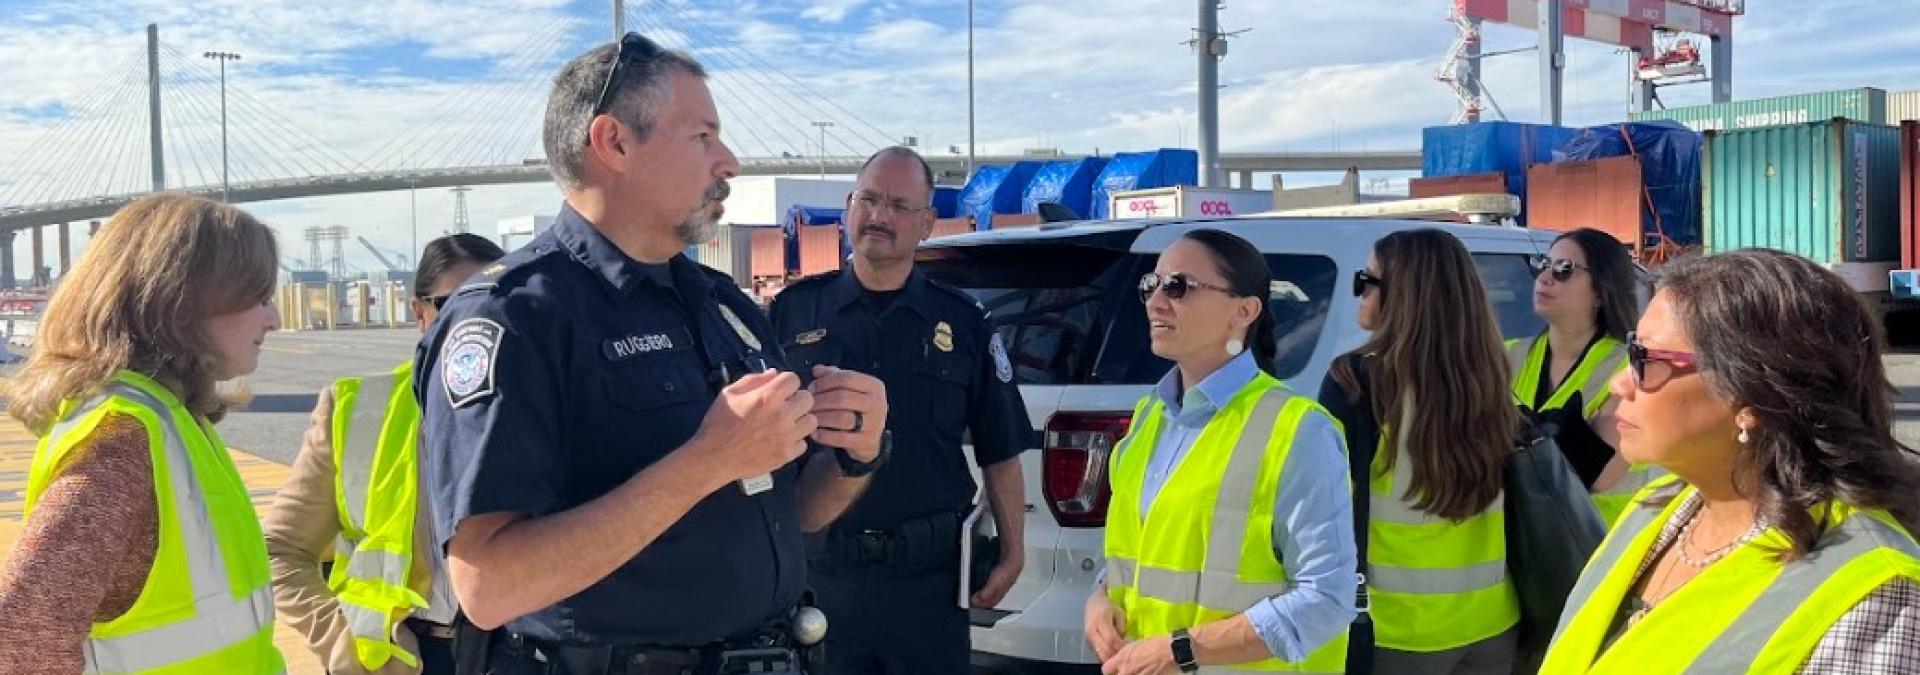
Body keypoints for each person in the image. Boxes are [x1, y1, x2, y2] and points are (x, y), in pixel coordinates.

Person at [416, 33, 890, 675]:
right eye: (702, 137)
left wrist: (857, 455)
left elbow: (796, 512)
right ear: (614, 142)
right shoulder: (514, 317)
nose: (729, 161)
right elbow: (488, 586)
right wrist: (707, 460)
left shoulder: (725, 307)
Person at [1541, 249, 1920, 674]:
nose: (1619, 383)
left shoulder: (1875, 599)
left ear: (1752, 396)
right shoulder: (1655, 509)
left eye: (1644, 359)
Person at [769, 146, 1031, 675]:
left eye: (897, 205)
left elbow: (1000, 447)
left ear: (927, 223)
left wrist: (1013, 550)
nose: (878, 216)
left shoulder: (963, 323)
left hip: (927, 586)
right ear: (848, 207)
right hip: (821, 578)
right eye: (868, 199)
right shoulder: (792, 312)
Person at [0, 193, 286, 673]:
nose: (273, 319)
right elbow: (22, 643)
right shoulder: (124, 442)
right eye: (257, 298)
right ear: (182, 302)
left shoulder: (173, 422)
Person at [1085, 229, 1355, 674]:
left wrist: (1180, 650)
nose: (1155, 302)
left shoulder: (1299, 430)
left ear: (1244, 311)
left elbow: (1327, 599)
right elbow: (1134, 553)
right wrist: (1098, 599)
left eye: (1178, 287)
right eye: (1151, 286)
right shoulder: (1150, 415)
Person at [266, 233, 506, 675]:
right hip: (405, 656)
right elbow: (282, 549)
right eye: (455, 304)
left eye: (498, 302)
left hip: (525, 654)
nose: (479, 321)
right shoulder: (359, 409)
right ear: (419, 312)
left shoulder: (551, 409)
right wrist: (342, 644)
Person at [1321, 229, 1521, 674]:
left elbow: (1325, 505)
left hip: (1398, 629)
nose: (1359, 291)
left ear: (1405, 296)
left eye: (1366, 280)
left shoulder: (1357, 380)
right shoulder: (1491, 378)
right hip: (1491, 623)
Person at [1509, 228, 1656, 525]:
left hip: (1597, 542)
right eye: (1542, 264)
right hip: (1524, 542)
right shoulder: (1506, 356)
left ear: (1600, 292)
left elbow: (1596, 472)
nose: (1545, 278)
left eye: (1564, 269)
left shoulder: (1630, 367)